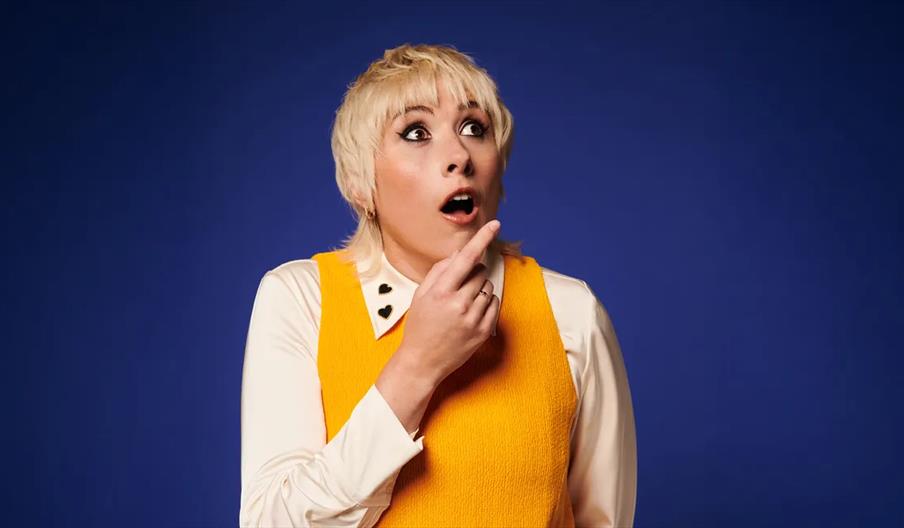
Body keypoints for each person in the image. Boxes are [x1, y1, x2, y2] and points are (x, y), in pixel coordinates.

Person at [239, 43, 637, 527]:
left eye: (474, 129)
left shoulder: (571, 311)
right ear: (362, 184)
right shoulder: (301, 299)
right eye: (415, 132)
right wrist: (415, 367)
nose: (458, 156)